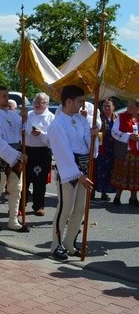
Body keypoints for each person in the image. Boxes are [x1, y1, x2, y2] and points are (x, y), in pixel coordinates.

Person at [49, 85, 97, 260]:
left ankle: (70, 243)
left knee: (79, 210)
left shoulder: (81, 119)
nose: (81, 105)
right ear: (69, 101)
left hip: (84, 167)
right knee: (65, 208)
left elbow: (89, 146)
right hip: (69, 171)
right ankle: (56, 245)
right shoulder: (57, 124)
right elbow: (63, 153)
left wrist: (93, 135)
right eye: (79, 101)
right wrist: (78, 174)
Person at [0, 86, 30, 232]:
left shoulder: (13, 115)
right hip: (2, 156)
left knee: (16, 189)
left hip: (16, 154)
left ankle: (13, 220)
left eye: (7, 95)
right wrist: (16, 155)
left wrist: (25, 119)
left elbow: (24, 130)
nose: (6, 98)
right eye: (3, 96)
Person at [25, 93, 55, 216]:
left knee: (39, 181)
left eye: (41, 102)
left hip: (42, 151)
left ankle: (39, 206)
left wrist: (41, 134)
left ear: (47, 104)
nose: (38, 104)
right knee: (24, 180)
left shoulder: (51, 118)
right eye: (36, 102)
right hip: (27, 150)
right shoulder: (27, 115)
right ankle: (20, 205)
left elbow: (52, 139)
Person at [110, 99, 139, 206]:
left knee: (135, 176)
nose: (128, 108)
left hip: (137, 152)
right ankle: (117, 197)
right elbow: (114, 132)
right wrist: (128, 136)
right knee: (121, 175)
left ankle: (133, 198)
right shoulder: (121, 117)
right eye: (128, 105)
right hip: (125, 151)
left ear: (137, 108)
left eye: (131, 106)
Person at [93, 99, 117, 201]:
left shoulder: (116, 118)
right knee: (97, 170)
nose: (107, 108)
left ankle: (104, 192)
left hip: (111, 150)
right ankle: (92, 192)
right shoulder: (98, 118)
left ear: (113, 107)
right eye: (104, 106)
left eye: (109, 106)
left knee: (108, 172)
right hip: (100, 148)